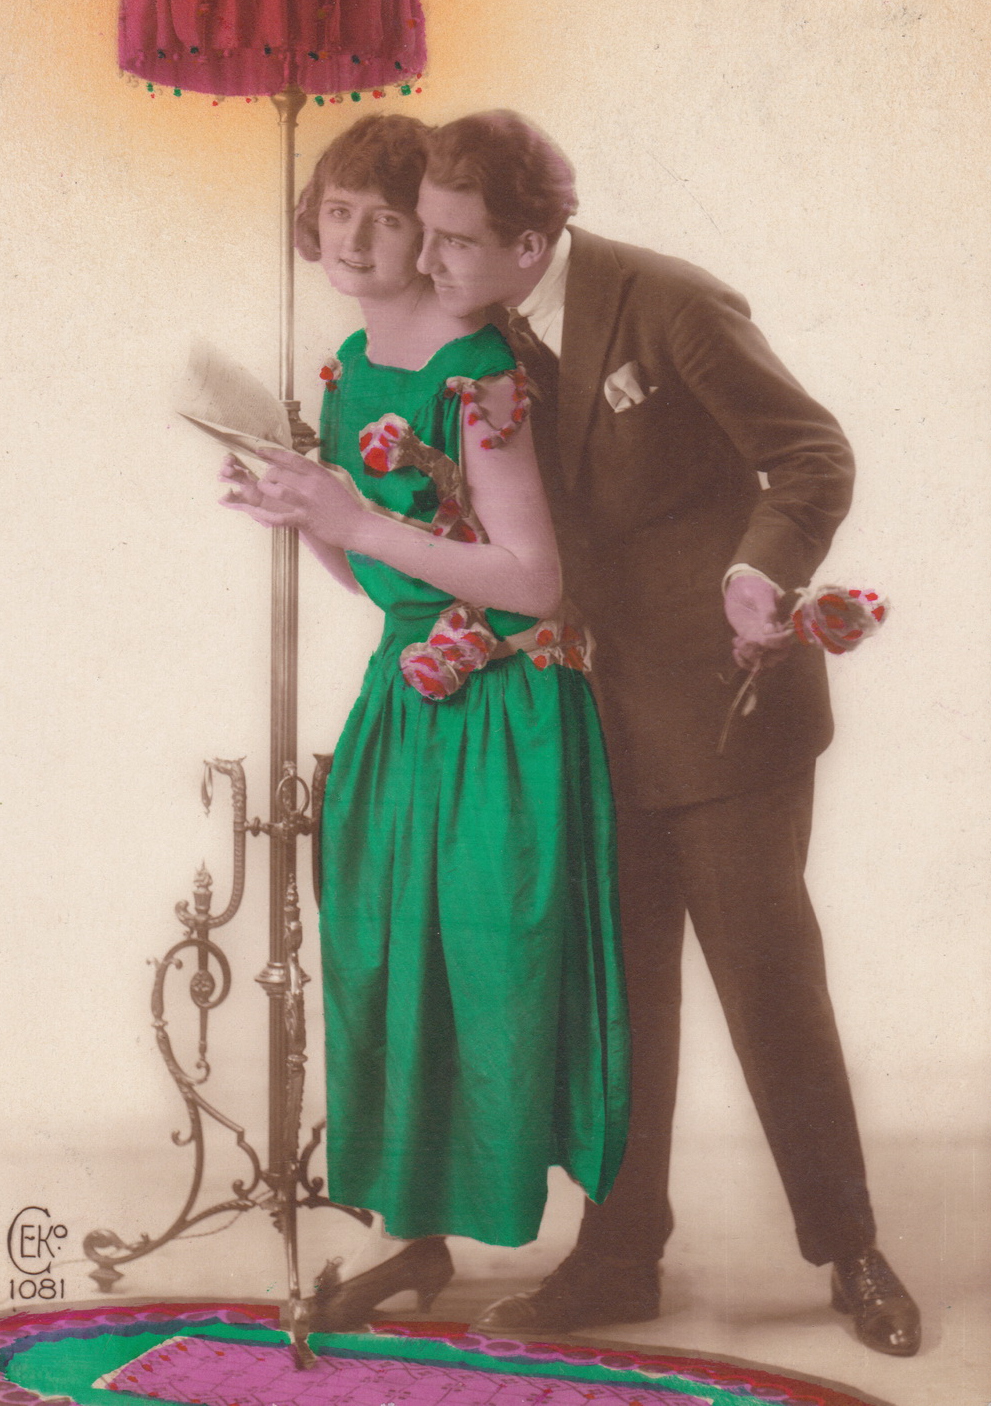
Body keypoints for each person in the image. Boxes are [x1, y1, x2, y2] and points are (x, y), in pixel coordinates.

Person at [411, 110, 921, 1358]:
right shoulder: (476, 333)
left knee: (770, 990)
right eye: (423, 233)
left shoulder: (674, 304)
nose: (430, 261)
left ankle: (850, 1247)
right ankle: (618, 1255)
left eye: (454, 241)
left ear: (533, 242)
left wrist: (758, 574)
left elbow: (812, 455)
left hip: (726, 712)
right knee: (617, 1009)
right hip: (589, 722)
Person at [219, 114, 629, 1331]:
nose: (355, 238)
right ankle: (406, 1236)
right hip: (408, 694)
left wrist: (352, 517)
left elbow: (532, 578)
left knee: (485, 970)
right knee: (386, 958)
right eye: (339, 209)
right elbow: (384, 575)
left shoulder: (480, 370)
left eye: (388, 218)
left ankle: (501, 1231)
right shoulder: (348, 365)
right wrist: (304, 512)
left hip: (503, 706)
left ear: (435, 238)